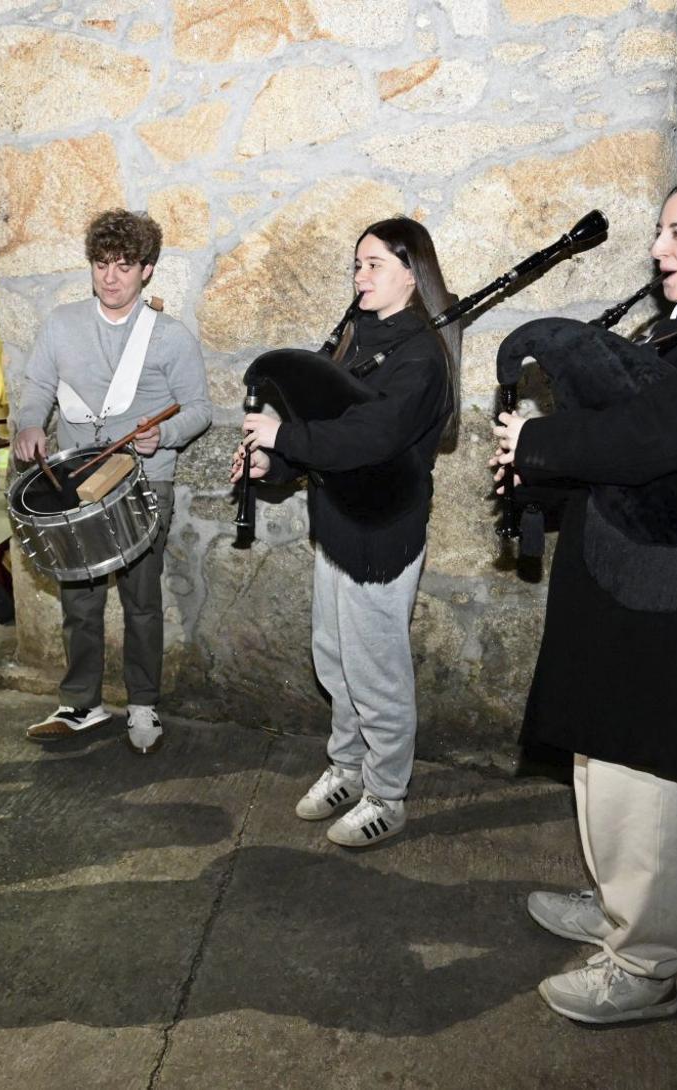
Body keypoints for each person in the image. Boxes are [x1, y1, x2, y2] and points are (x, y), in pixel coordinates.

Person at [491, 167, 677, 1024]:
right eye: (662, 230)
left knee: (641, 764)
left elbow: (655, 438)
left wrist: (538, 440)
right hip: (628, 582)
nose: (658, 248)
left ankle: (644, 963)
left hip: (669, 594)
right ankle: (618, 901)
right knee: (603, 750)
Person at [232, 216, 459, 848]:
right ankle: (348, 766)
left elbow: (373, 436)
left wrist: (284, 436)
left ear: (412, 274)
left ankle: (387, 793)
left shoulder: (420, 354)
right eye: (356, 265)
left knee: (376, 670)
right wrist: (270, 463)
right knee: (334, 658)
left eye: (374, 264)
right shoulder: (357, 336)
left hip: (383, 532)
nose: (360, 276)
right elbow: (322, 428)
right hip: (336, 524)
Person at [12, 208, 211, 754]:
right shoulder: (61, 325)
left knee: (142, 599)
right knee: (79, 601)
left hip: (145, 481)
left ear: (147, 270)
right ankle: (81, 703)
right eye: (102, 264)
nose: (111, 276)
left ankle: (143, 703)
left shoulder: (169, 337)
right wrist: (30, 423)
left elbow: (199, 409)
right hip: (76, 483)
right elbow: (37, 386)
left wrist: (163, 435)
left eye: (124, 265)